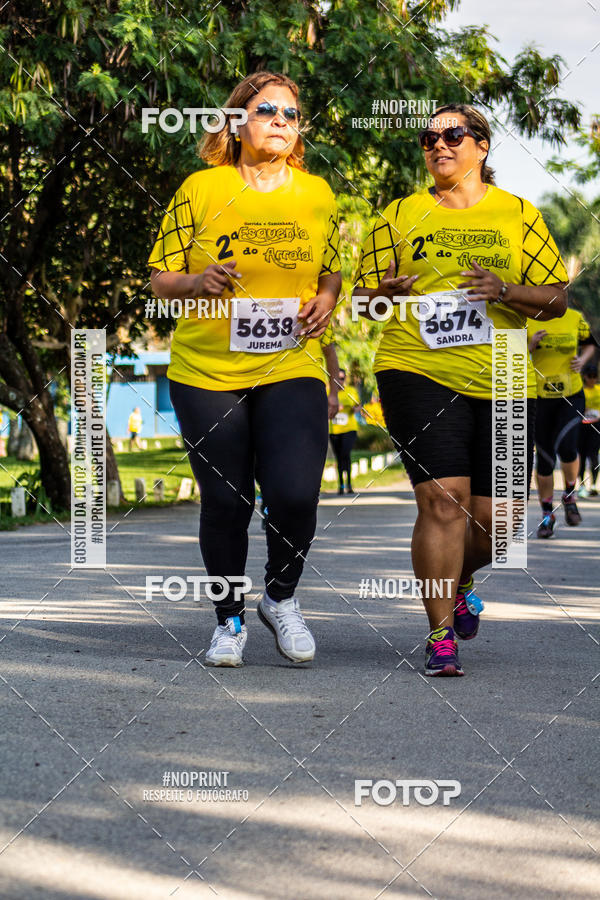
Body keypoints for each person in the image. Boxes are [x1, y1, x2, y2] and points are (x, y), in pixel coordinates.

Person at [353, 103, 568, 676]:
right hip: (416, 368)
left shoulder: (519, 214)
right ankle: (439, 634)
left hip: (501, 374)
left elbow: (556, 299)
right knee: (443, 500)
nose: (438, 145)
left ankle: (464, 577)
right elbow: (362, 303)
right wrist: (385, 295)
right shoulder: (399, 215)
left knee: (499, 524)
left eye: (452, 134)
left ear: (482, 146)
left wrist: (505, 290)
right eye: (428, 138)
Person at [148, 71, 341, 667]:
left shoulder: (317, 194)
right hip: (208, 370)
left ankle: (280, 598)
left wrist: (329, 298)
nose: (281, 120)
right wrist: (197, 281)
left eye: (290, 112)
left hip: (292, 363)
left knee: (295, 493)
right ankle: (228, 620)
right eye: (267, 110)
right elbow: (159, 278)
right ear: (237, 122)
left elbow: (330, 268)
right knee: (226, 502)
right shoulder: (201, 189)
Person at [527, 307, 597, 535]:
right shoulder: (525, 318)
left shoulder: (574, 317)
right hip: (538, 395)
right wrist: (528, 347)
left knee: (568, 446)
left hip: (570, 394)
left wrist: (582, 360)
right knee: (545, 459)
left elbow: (590, 344)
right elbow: (507, 355)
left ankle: (569, 496)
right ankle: (547, 514)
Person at [329, 369, 361, 494]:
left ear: (345, 379)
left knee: (345, 454)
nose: (340, 381)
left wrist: (354, 408)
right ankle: (341, 485)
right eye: (337, 379)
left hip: (349, 429)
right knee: (339, 457)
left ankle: (349, 483)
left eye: (342, 378)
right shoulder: (329, 392)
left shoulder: (351, 391)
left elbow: (358, 405)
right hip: (334, 430)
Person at [578, 364, 600, 497]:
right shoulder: (581, 391)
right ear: (585, 377)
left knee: (593, 455)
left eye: (594, 376)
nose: (592, 379)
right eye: (589, 376)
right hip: (582, 426)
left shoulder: (599, 389)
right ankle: (581, 485)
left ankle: (593, 485)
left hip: (596, 426)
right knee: (581, 455)